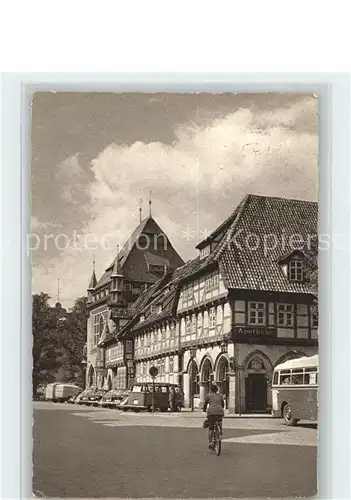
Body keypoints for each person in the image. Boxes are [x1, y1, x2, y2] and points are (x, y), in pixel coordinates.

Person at [203, 384, 225, 449]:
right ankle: (220, 430)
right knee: (219, 421)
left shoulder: (208, 396)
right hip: (220, 411)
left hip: (211, 412)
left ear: (211, 390)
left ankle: (210, 443)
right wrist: (221, 409)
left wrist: (204, 409)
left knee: (211, 428)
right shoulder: (220, 396)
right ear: (217, 390)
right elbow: (223, 404)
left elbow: (205, 404)